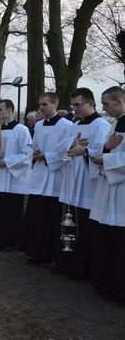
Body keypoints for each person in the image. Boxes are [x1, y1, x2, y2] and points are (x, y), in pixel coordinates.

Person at [55, 88, 111, 278]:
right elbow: (61, 145)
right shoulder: (75, 123)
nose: (75, 109)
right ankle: (69, 262)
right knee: (71, 221)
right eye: (73, 105)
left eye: (78, 105)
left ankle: (84, 268)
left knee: (86, 226)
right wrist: (73, 145)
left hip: (89, 182)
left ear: (91, 104)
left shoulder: (101, 125)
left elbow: (103, 153)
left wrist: (85, 152)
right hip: (72, 178)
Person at [21, 93, 72, 264]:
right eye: (40, 104)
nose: (41, 107)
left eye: (44, 104)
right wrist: (34, 153)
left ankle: (51, 255)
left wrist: (47, 156)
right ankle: (35, 251)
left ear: (55, 104)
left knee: (52, 218)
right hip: (40, 174)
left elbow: (66, 150)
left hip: (56, 175)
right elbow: (33, 146)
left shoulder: (67, 125)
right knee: (37, 216)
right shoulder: (39, 125)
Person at [0, 99, 33, 250]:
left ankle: (10, 241)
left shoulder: (22, 130)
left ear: (10, 110)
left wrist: (7, 161)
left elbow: (27, 154)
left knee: (11, 211)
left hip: (13, 178)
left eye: (0, 110)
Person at [89, 86, 125, 300]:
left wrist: (107, 158)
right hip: (110, 188)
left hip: (122, 191)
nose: (104, 108)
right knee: (109, 237)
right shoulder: (115, 124)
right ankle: (107, 283)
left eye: (106, 103)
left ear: (119, 100)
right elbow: (109, 151)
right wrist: (106, 150)